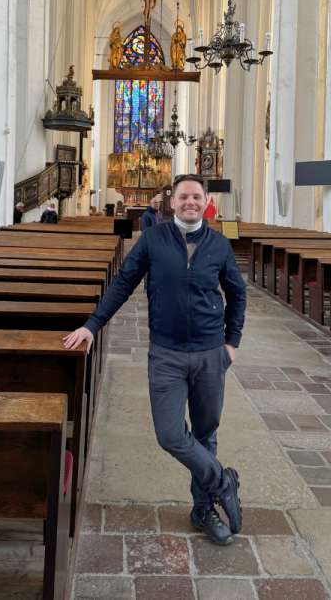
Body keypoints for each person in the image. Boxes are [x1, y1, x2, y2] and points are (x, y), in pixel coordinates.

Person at [63, 174, 247, 545]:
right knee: (170, 435)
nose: (190, 202)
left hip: (211, 353)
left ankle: (202, 509)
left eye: (196, 196)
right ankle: (222, 481)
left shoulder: (219, 244)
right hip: (166, 353)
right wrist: (92, 325)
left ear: (206, 201)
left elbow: (237, 294)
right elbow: (123, 283)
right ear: (172, 201)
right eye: (183, 197)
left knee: (205, 433)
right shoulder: (153, 239)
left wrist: (232, 343)